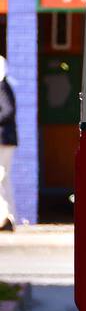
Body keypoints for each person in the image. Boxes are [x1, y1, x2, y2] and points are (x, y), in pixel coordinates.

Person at [0, 55, 17, 231]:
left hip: (3, 139)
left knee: (1, 177)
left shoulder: (2, 87)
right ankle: (8, 216)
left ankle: (5, 217)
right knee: (4, 179)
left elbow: (7, 111)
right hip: (6, 139)